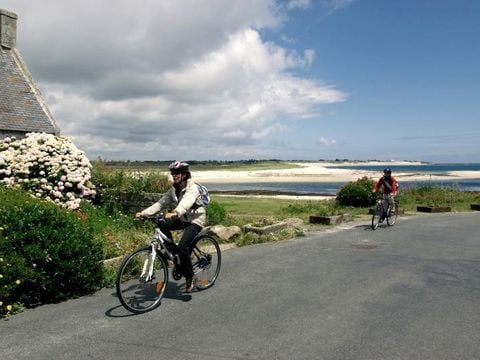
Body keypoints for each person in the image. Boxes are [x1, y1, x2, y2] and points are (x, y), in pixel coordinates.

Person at [135, 161, 206, 293]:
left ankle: (191, 277)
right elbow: (160, 203)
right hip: (182, 218)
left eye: (177, 173)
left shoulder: (192, 188)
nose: (174, 175)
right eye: (172, 173)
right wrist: (144, 213)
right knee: (161, 223)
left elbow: (186, 203)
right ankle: (173, 253)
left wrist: (175, 213)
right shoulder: (174, 189)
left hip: (195, 220)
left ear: (184, 174)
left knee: (183, 247)